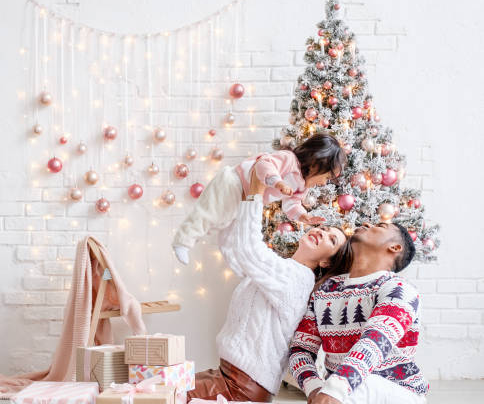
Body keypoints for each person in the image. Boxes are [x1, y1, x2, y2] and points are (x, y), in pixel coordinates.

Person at [187, 195, 348, 402]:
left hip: (239, 387)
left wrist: (253, 194)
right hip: (226, 376)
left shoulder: (296, 278)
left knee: (151, 395)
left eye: (331, 239)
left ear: (326, 262)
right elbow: (236, 252)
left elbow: (248, 249)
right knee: (152, 391)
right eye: (324, 229)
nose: (322, 233)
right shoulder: (282, 270)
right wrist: (232, 206)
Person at [289, 222, 428, 404]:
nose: (366, 223)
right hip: (345, 393)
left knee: (360, 384)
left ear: (394, 247)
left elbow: (375, 342)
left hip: (396, 391)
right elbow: (301, 348)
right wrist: (314, 388)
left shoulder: (399, 290)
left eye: (380, 225)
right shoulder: (326, 290)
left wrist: (334, 390)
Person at [172, 133, 346, 265]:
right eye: (327, 177)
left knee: (225, 226)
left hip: (245, 200)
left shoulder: (303, 186)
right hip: (234, 182)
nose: (324, 183)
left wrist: (302, 216)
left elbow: (292, 204)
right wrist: (276, 182)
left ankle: (237, 264)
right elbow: (263, 164)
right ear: (317, 163)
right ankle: (183, 241)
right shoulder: (289, 159)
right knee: (209, 214)